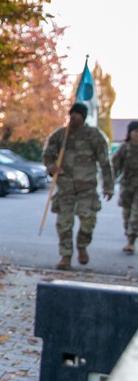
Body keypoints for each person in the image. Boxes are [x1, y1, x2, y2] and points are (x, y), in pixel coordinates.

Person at [42, 102, 113, 270]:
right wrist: (51, 167)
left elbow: (105, 163)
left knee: (88, 220)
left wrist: (108, 186)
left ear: (83, 116)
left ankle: (82, 245)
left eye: (77, 114)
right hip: (65, 187)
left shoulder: (94, 136)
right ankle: (65, 255)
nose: (73, 116)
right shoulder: (60, 135)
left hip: (87, 188)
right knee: (64, 223)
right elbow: (48, 155)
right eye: (71, 113)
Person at [112, 120, 138, 254]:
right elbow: (114, 165)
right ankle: (128, 234)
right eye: (135, 131)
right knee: (126, 214)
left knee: (136, 214)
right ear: (130, 133)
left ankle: (131, 241)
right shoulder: (124, 147)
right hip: (126, 185)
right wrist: (109, 181)